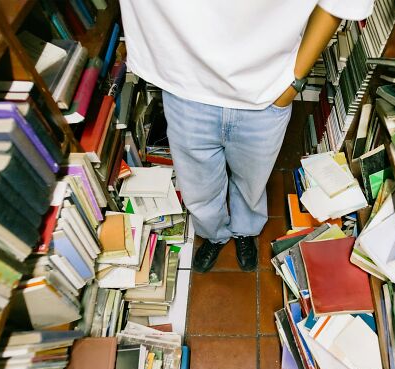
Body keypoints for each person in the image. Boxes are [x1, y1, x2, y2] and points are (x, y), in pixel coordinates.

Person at [120, 0, 374, 272]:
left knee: (252, 181)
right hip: (185, 89)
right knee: (198, 188)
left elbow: (340, 4)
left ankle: (244, 231)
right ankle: (214, 234)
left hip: (265, 91)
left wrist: (293, 84)